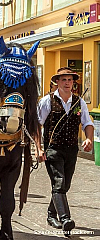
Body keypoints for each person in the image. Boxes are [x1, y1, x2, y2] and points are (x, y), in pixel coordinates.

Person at [37, 67, 94, 235]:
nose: (67, 83)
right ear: (57, 82)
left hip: (71, 149)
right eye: (64, 80)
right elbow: (36, 125)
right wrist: (38, 148)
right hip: (52, 148)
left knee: (64, 184)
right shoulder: (47, 101)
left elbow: (87, 123)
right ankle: (65, 219)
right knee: (59, 182)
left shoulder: (79, 102)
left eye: (70, 80)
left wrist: (89, 138)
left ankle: (51, 214)